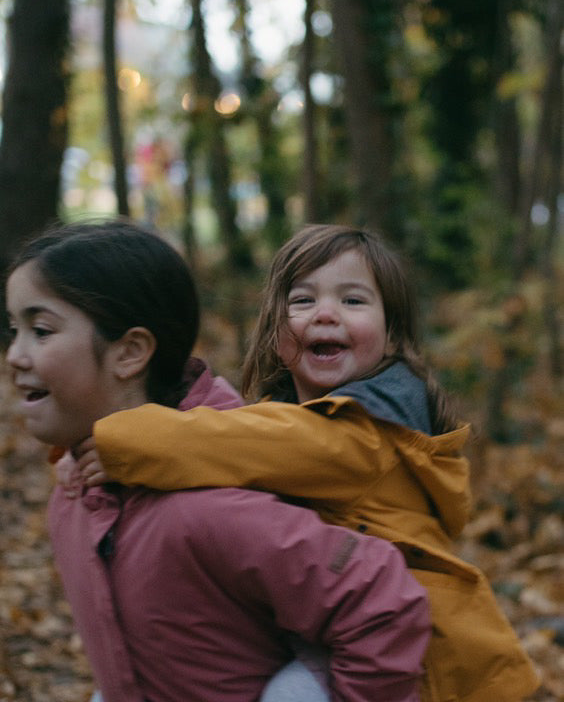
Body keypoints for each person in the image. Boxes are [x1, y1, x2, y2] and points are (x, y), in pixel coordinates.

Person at [75, 224, 539, 702]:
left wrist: (120, 439)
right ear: (276, 332)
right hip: (327, 629)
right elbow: (234, 432)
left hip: (414, 655)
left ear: (392, 337)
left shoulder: (362, 437)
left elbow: (238, 443)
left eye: (353, 301)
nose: (325, 314)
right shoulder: (284, 423)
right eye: (302, 301)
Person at [5, 219, 431, 702]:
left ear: (130, 352)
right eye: (12, 329)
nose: (14, 355)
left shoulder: (207, 507)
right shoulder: (76, 498)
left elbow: (383, 604)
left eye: (40, 330)